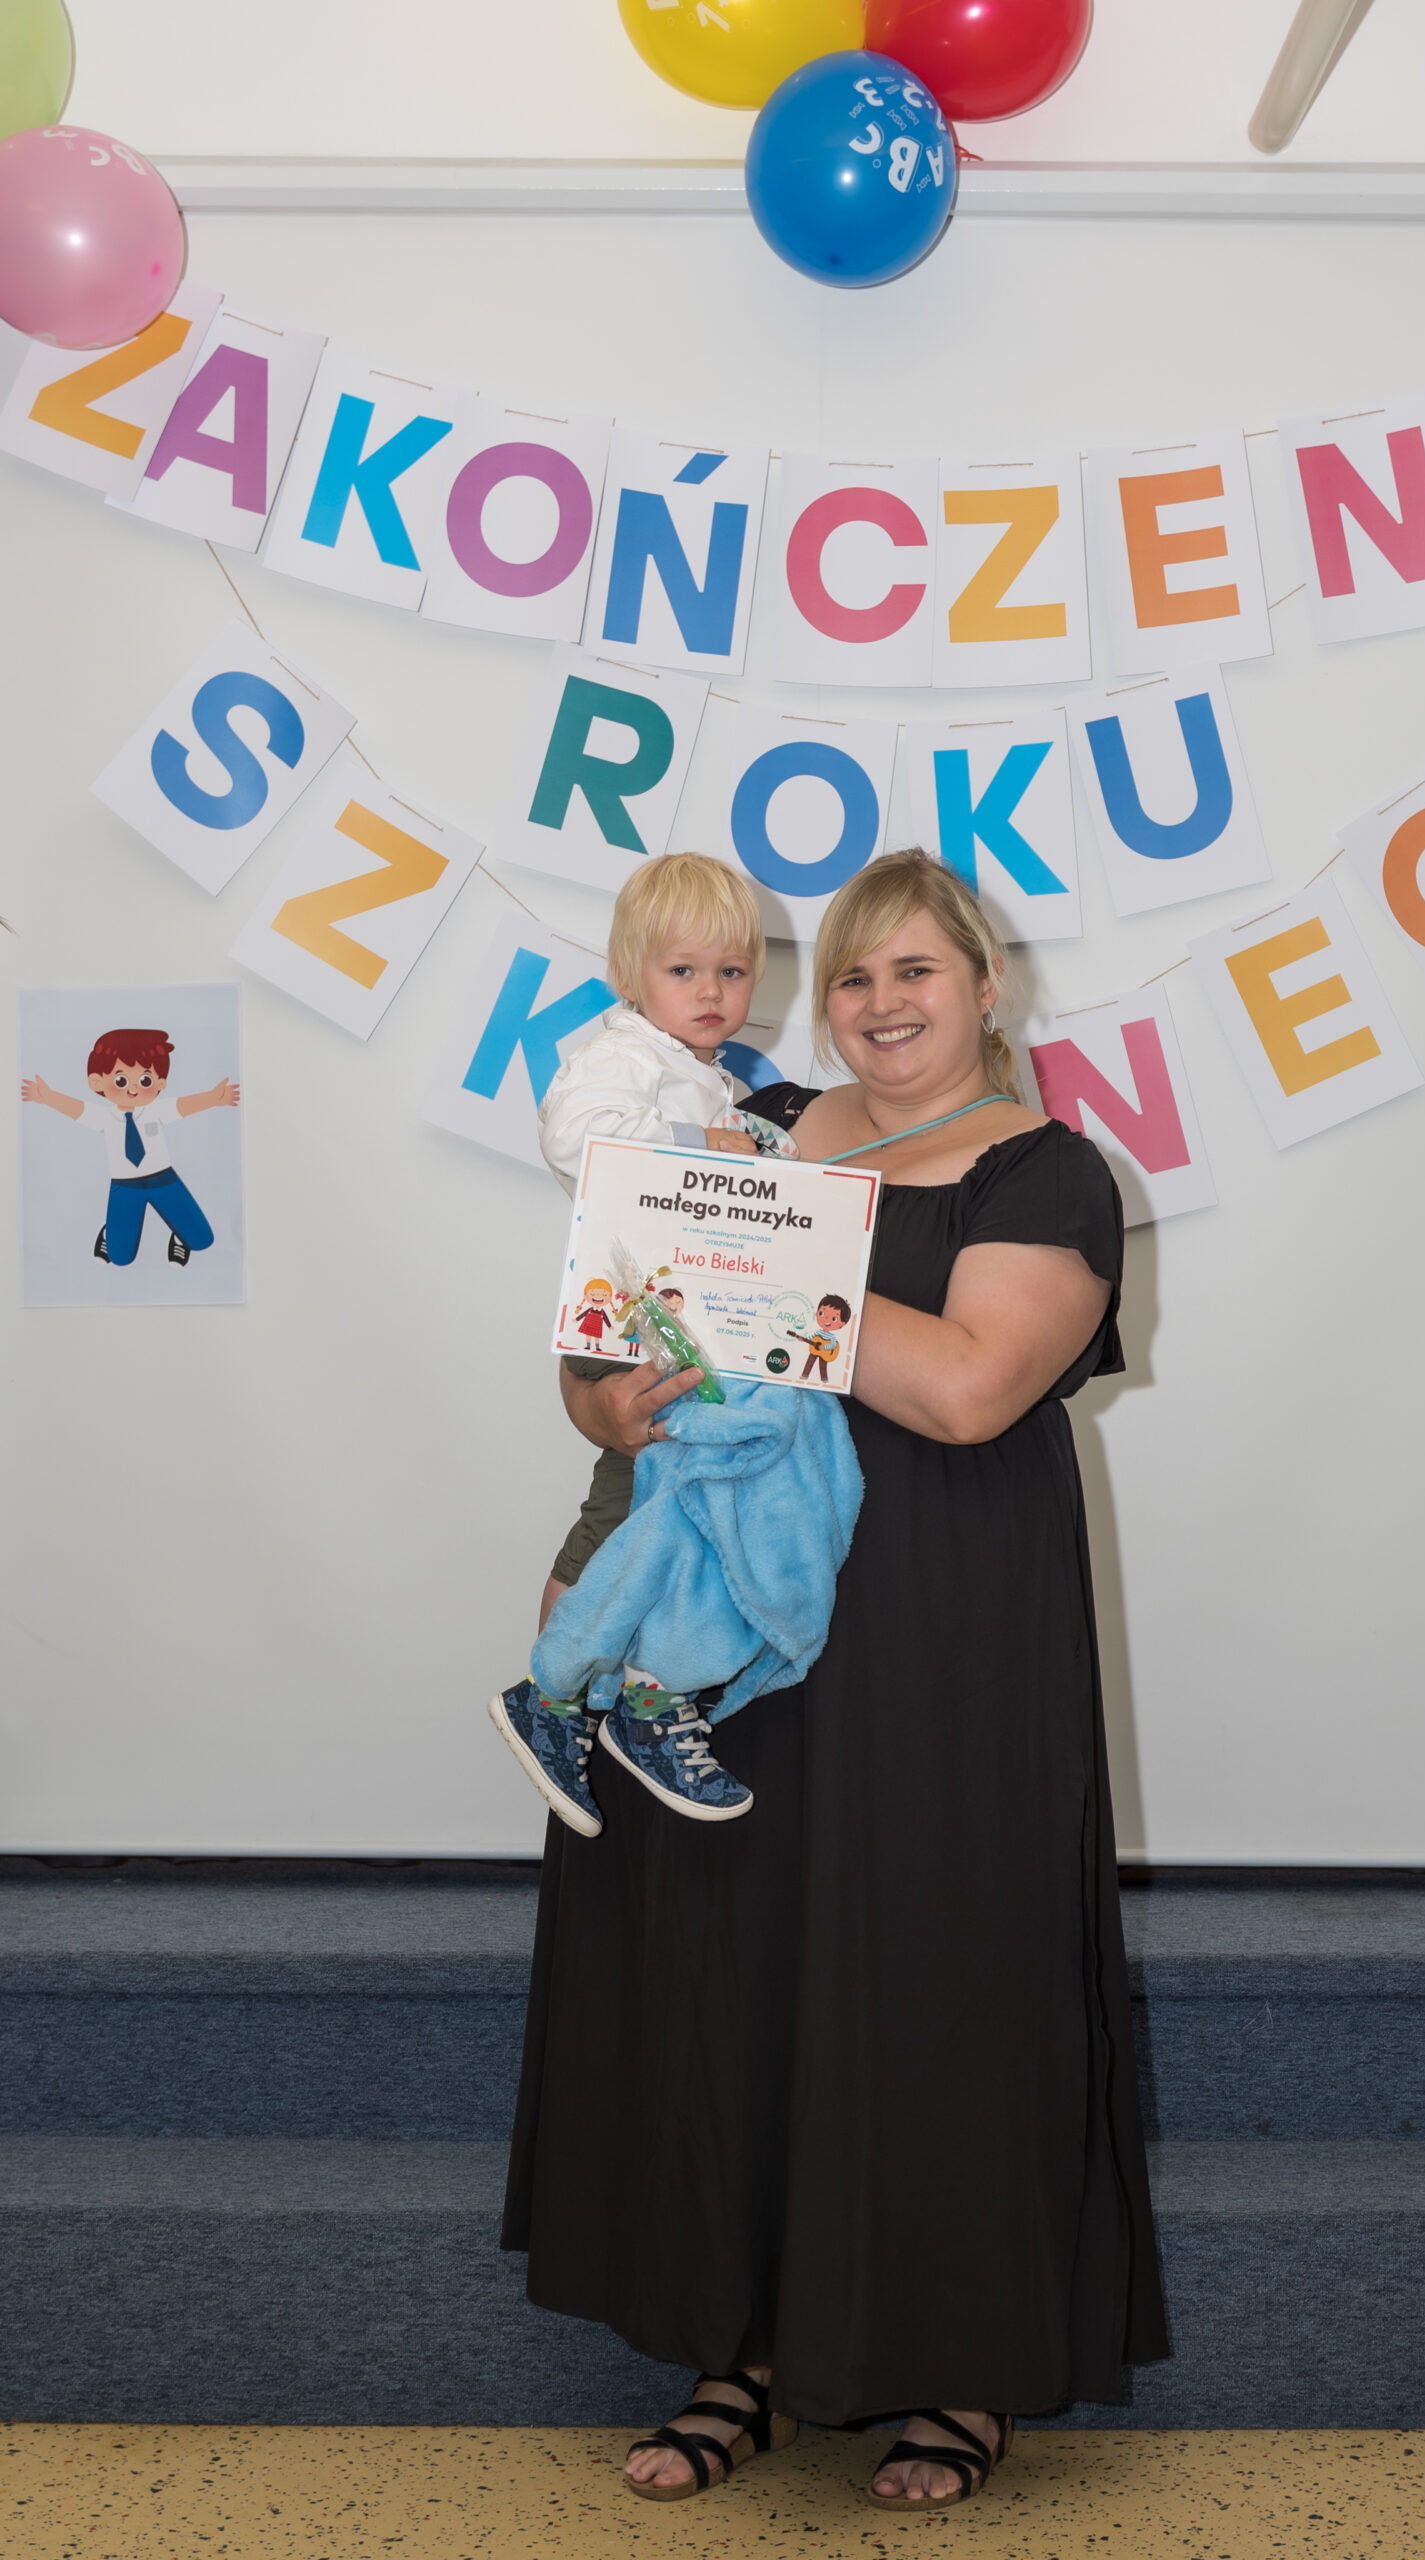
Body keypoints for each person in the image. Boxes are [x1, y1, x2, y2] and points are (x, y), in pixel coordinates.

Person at [503, 851, 1167, 2511]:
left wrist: (759, 1272)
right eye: (853, 976)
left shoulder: (1045, 1173)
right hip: (727, 1634)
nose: (877, 1003)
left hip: (946, 1640)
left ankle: (957, 2367)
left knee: (938, 1972)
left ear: (985, 990)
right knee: (724, 1973)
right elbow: (605, 1345)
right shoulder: (750, 1127)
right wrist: (608, 1405)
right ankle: (735, 2351)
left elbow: (965, 1389)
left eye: (913, 972)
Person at [487, 854, 796, 1833]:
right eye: (683, 970)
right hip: (625, 1317)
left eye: (732, 972)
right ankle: (557, 1697)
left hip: (676, 1317)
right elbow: (574, 1139)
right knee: (630, 1506)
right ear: (628, 974)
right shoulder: (624, 1058)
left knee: (684, 1510)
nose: (712, 993)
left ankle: (637, 1693)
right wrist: (704, 1151)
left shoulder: (704, 1073)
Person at [22, 1027, 239, 1267]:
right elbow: (78, 1109)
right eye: (121, 1080)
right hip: (125, 1186)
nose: (133, 1089)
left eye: (145, 1080)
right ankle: (110, 1231)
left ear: (160, 1083)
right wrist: (48, 1097)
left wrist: (213, 1098)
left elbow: (182, 1106)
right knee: (120, 1258)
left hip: (164, 1180)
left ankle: (180, 1233)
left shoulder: (155, 1110)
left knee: (203, 1240)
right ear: (96, 1081)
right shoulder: (104, 1117)